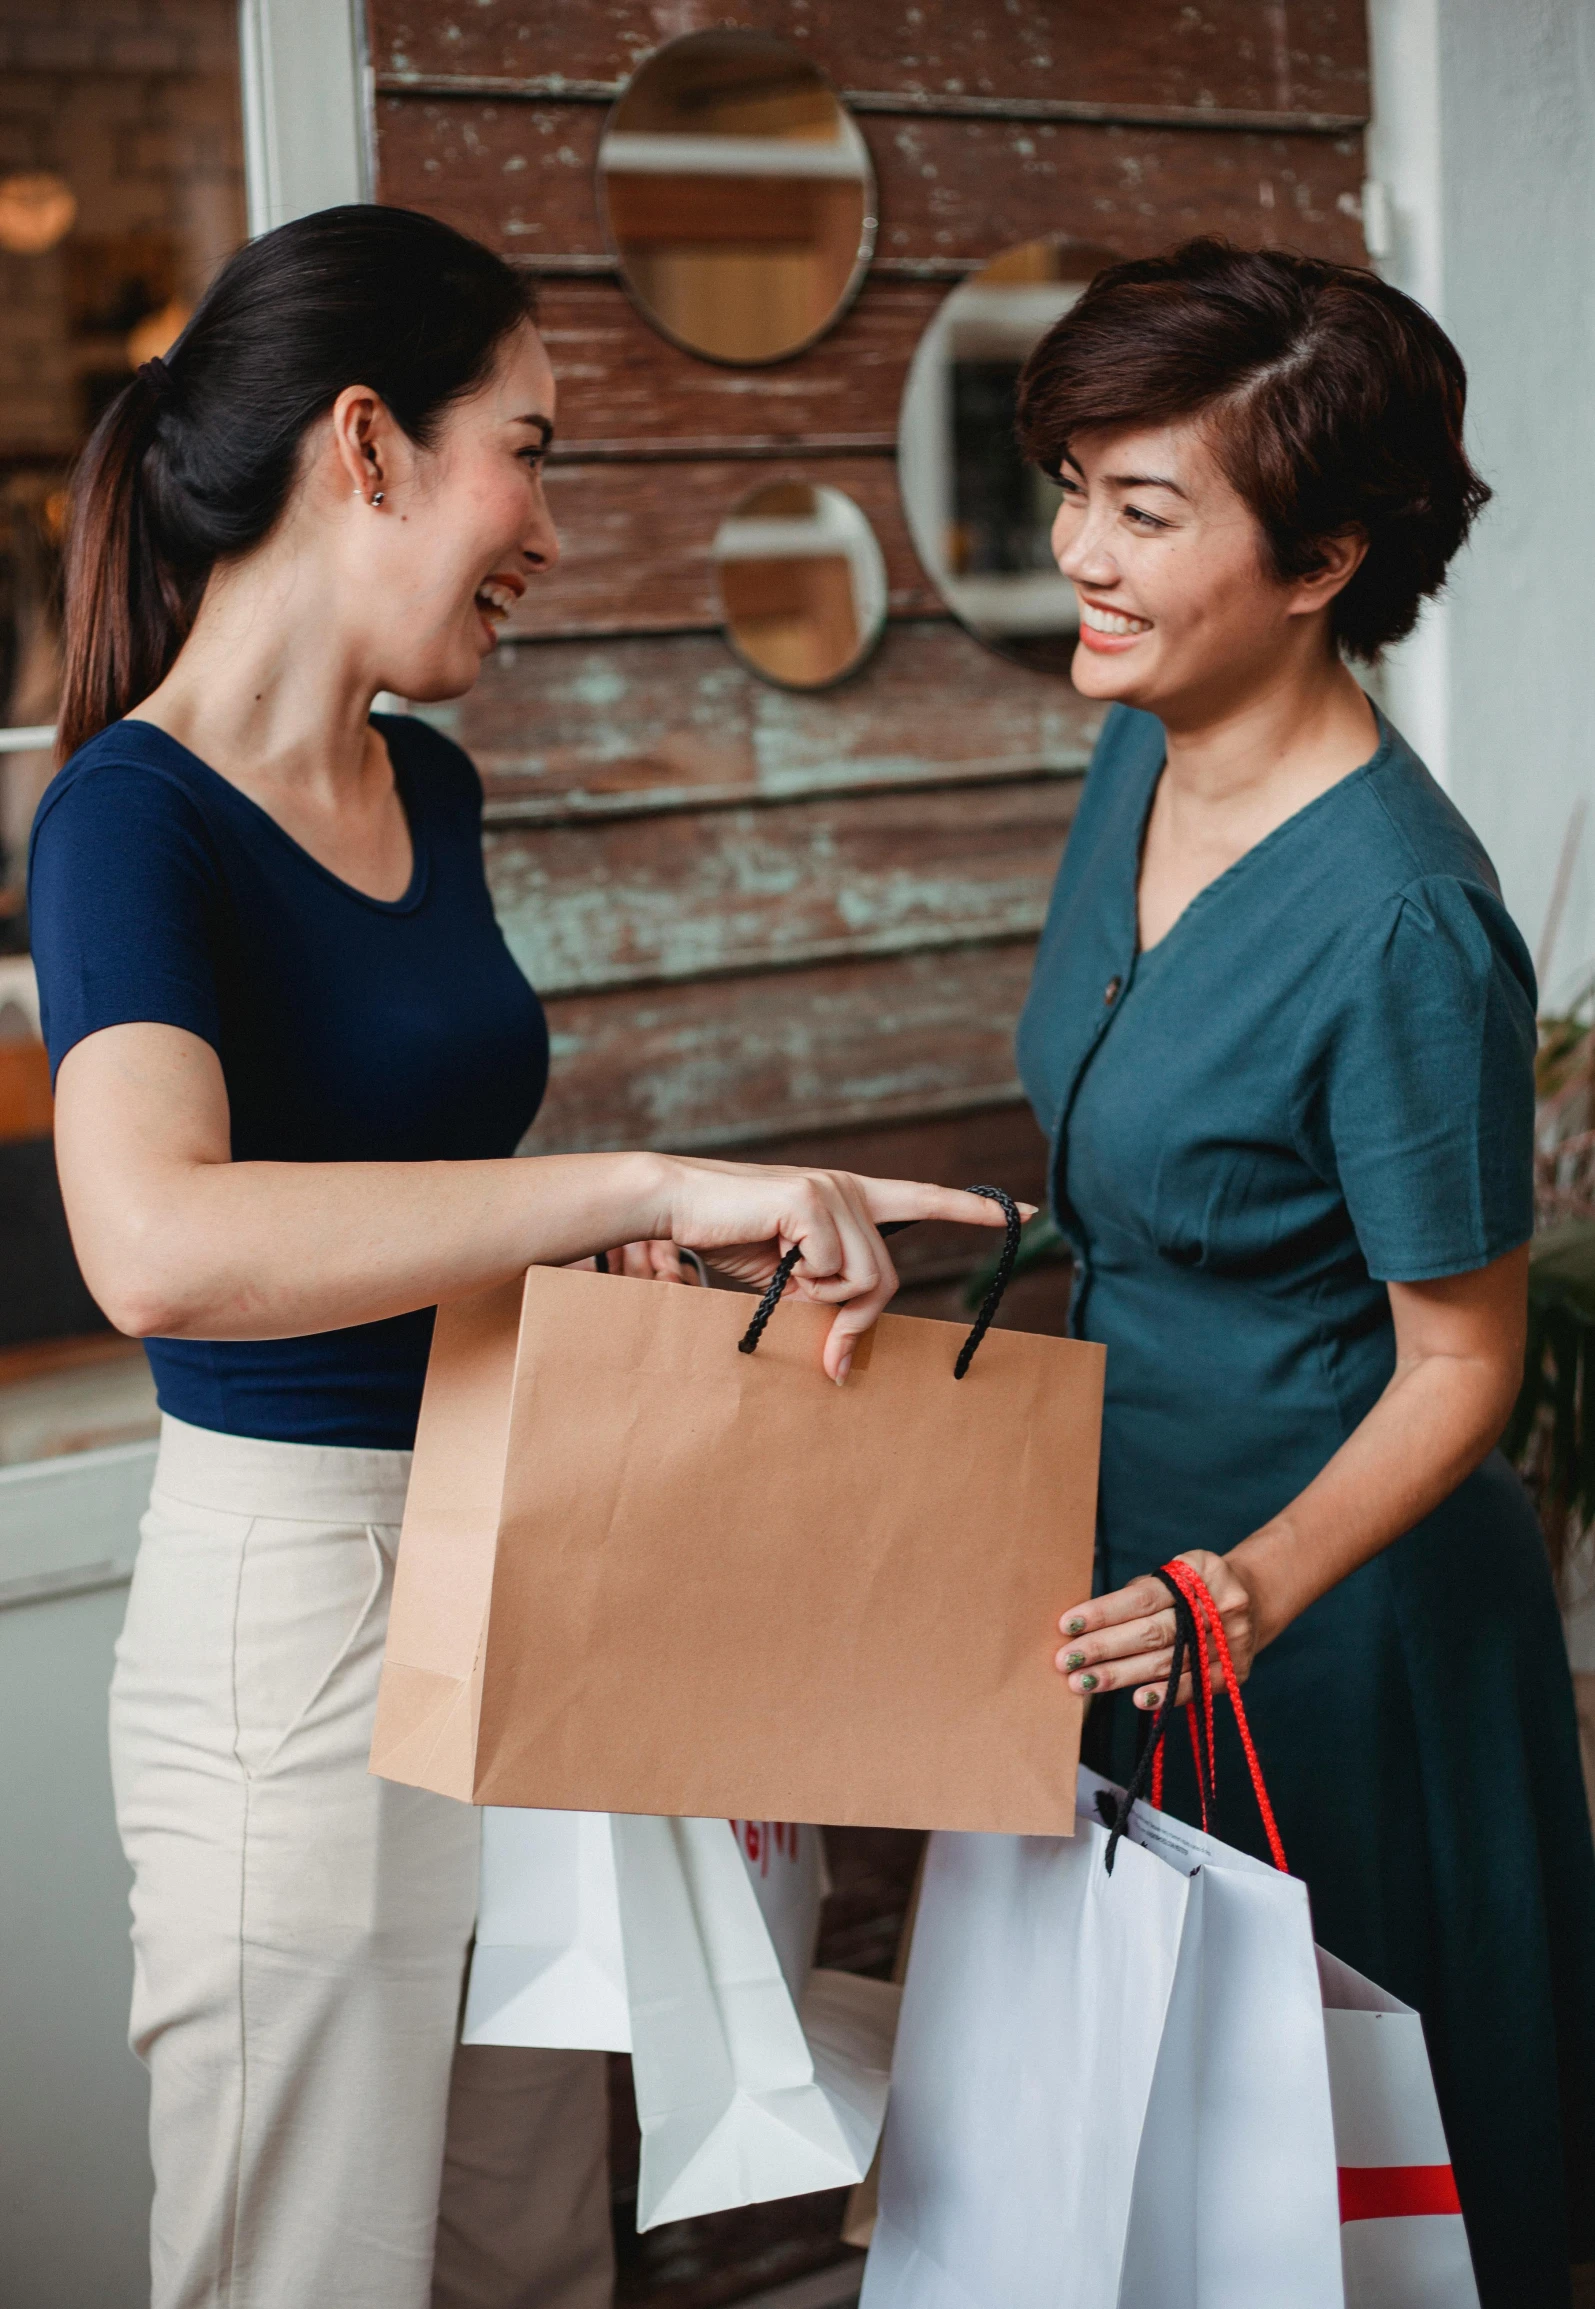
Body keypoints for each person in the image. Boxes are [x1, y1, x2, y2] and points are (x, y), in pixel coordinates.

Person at [26, 203, 1014, 2309]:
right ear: (366, 444)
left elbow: (416, 1198)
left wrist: (632, 1279)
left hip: (518, 1549)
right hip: (294, 1617)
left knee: (533, 2237)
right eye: (535, 448)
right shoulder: (131, 813)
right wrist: (645, 1187)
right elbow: (160, 1241)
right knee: (309, 2263)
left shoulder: (433, 788)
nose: (552, 526)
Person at [1014, 238, 1595, 2307]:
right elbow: (1157, 1173)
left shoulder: (1404, 924)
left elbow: (1463, 1363)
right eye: (1071, 483)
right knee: (1151, 2203)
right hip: (1127, 1601)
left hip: (1327, 1634)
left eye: (1142, 508)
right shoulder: (1132, 752)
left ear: (1317, 557)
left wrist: (1246, 1585)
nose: (1077, 546)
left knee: (1346, 2207)